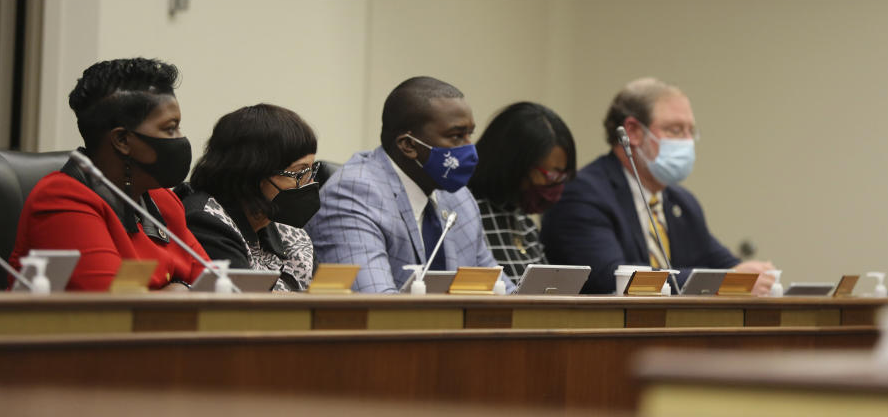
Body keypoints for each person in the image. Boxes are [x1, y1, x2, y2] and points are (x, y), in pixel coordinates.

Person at [541, 77, 776, 295]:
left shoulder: (681, 202)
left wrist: (751, 272)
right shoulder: (582, 193)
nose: (686, 141)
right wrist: (727, 280)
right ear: (632, 132)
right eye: (675, 130)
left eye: (690, 131)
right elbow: (612, 277)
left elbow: (722, 262)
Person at [9, 58, 208, 291]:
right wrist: (180, 289)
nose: (180, 138)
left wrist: (179, 289)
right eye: (170, 128)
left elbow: (218, 288)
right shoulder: (61, 200)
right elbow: (117, 312)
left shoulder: (164, 201)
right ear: (122, 140)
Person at [305, 76, 515, 293]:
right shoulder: (353, 195)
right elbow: (374, 305)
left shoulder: (459, 198)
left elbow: (499, 291)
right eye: (456, 136)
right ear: (408, 145)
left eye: (469, 134)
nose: (469, 149)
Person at [182, 104, 319, 292]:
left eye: (310, 172)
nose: (308, 183)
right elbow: (245, 310)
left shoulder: (286, 226)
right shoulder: (206, 222)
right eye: (298, 173)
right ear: (253, 173)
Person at [468, 102, 577, 285]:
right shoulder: (467, 213)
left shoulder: (523, 221)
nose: (557, 184)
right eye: (552, 175)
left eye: (563, 175)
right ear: (514, 165)